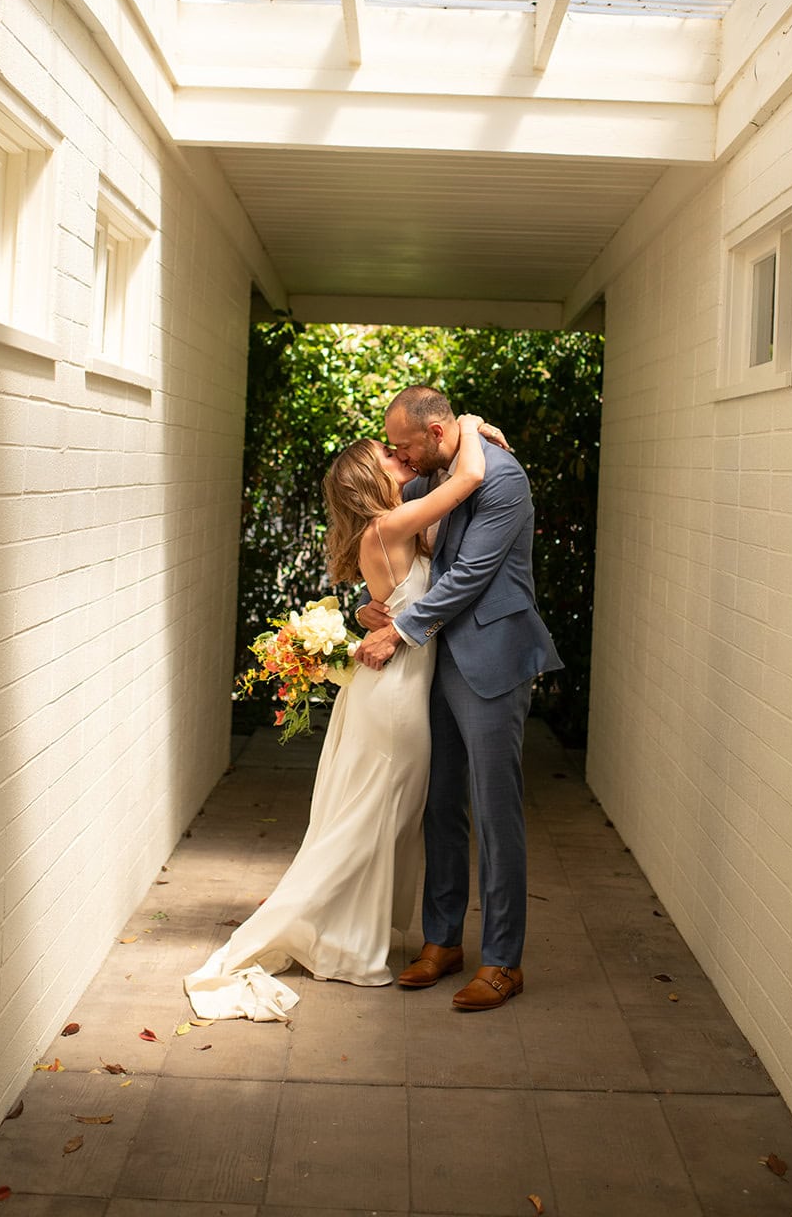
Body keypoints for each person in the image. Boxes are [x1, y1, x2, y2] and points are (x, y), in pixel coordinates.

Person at [183, 413, 493, 1021]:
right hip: (396, 697)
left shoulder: (387, 530)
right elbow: (470, 476)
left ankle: (353, 939)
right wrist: (473, 425)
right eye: (388, 456)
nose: (399, 457)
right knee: (373, 817)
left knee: (379, 814)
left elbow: (420, 577)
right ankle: (319, 932)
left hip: (395, 689)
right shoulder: (389, 525)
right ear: (367, 481)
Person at [355, 386, 561, 1011]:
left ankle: (502, 961)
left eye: (405, 445)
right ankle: (441, 941)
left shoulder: (503, 478)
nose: (401, 456)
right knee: (439, 805)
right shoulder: (436, 474)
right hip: (438, 664)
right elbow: (393, 537)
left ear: (437, 432)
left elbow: (470, 574)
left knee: (497, 815)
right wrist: (375, 607)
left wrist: (401, 630)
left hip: (493, 662)